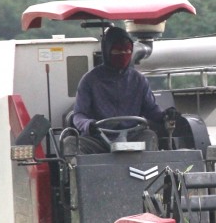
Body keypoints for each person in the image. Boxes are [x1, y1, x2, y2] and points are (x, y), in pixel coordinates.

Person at [68, 26, 173, 154]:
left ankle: (147, 173)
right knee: (70, 143)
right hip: (98, 138)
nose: (123, 55)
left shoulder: (139, 80)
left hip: (133, 137)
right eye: (117, 52)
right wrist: (88, 125)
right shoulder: (90, 80)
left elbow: (151, 110)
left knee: (149, 136)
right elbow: (78, 115)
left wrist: (166, 115)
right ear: (107, 51)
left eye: (127, 51)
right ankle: (81, 174)